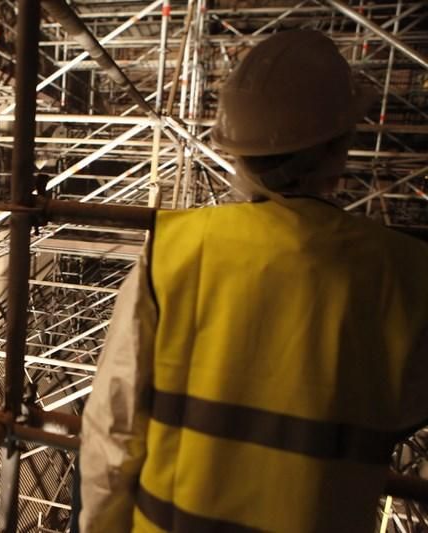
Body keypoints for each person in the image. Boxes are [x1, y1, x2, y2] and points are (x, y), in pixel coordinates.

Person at [79, 30, 428, 533]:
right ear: (342, 147)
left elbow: (113, 426)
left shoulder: (179, 249)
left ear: (236, 154)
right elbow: (403, 410)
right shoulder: (405, 274)